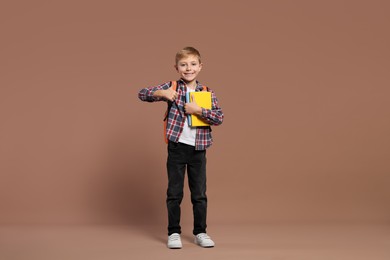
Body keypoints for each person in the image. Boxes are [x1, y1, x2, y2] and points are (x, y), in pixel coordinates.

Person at [138, 47, 224, 249]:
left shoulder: (206, 92)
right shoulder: (173, 87)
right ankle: (173, 232)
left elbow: (219, 117)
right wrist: (162, 93)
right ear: (176, 67)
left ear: (200, 67)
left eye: (193, 64)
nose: (188, 68)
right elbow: (142, 94)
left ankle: (200, 232)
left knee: (199, 194)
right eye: (184, 65)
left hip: (198, 149)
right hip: (177, 148)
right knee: (174, 193)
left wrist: (198, 110)